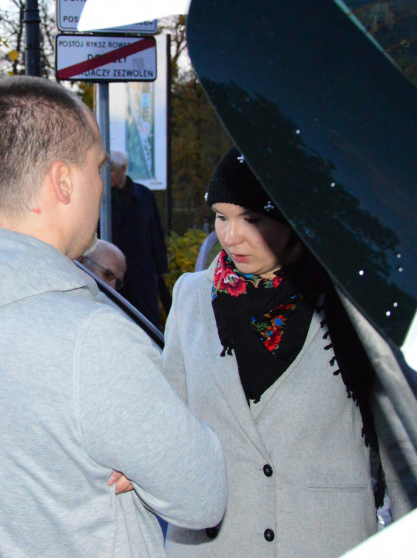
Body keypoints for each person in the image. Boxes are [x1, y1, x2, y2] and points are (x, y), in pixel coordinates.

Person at [0, 76, 227, 558]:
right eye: (96, 168)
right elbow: (203, 494)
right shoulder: (91, 337)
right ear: (62, 181)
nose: (101, 186)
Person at [162, 147, 385, 557]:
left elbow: (405, 444)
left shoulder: (355, 304)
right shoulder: (191, 297)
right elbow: (168, 424)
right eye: (221, 217)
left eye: (252, 219)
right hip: (215, 545)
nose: (230, 237)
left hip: (329, 540)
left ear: (291, 216)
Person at [110, 150, 170, 326]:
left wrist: (161, 268)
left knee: (147, 319)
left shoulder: (144, 195)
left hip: (142, 269)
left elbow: (155, 233)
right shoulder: (102, 198)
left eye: (112, 170)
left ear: (123, 169)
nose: (108, 175)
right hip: (115, 271)